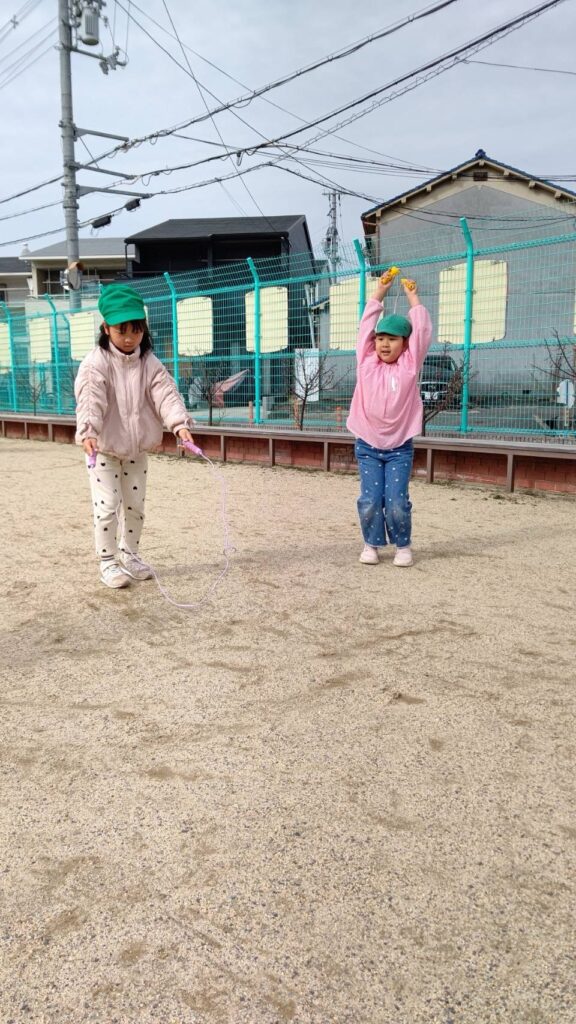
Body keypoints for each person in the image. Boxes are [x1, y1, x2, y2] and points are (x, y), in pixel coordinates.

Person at [74, 284, 195, 589]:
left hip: (136, 450)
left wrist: (179, 425)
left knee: (135, 506)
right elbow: (90, 400)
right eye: (121, 331)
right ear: (106, 328)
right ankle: (108, 562)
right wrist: (88, 431)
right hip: (103, 449)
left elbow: (165, 394)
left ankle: (131, 555)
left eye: (136, 330)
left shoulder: (149, 362)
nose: (129, 338)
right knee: (107, 505)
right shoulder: (96, 363)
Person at [346, 272, 432, 567]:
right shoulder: (366, 362)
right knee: (370, 500)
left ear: (405, 344)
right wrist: (380, 291)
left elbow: (422, 332)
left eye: (392, 339)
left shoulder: (410, 365)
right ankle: (371, 544)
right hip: (367, 444)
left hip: (399, 447)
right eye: (380, 338)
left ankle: (403, 545)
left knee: (396, 501)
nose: (384, 344)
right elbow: (365, 327)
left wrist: (413, 298)